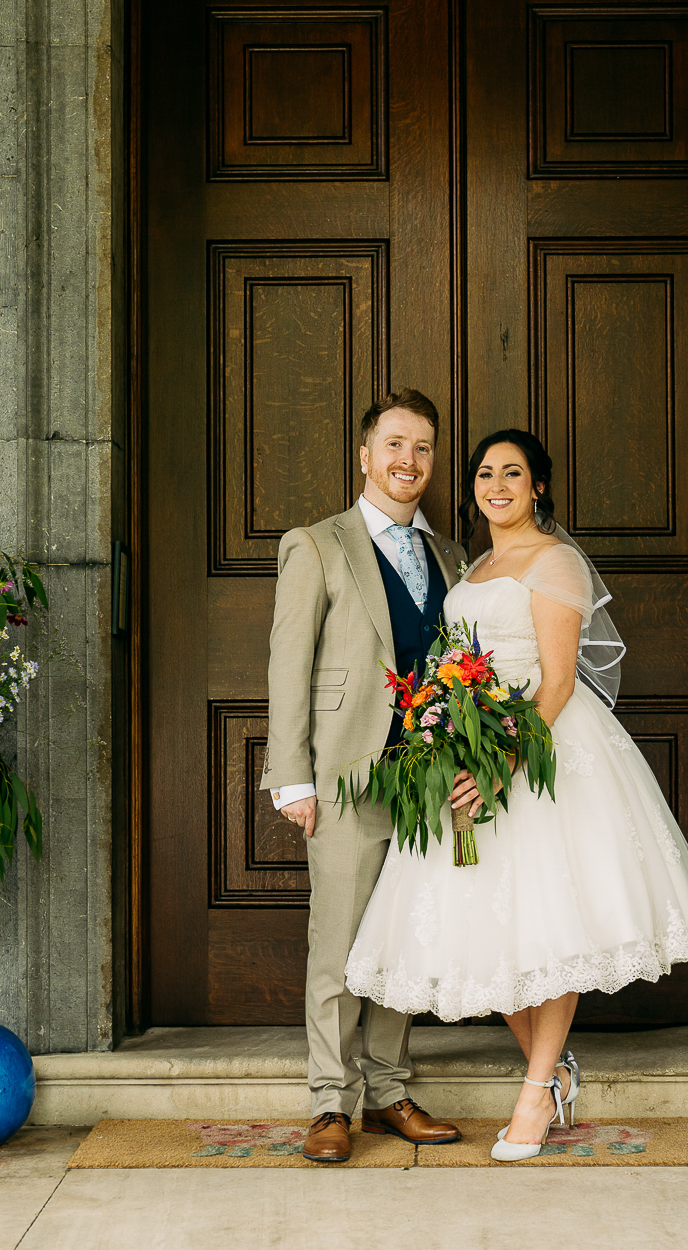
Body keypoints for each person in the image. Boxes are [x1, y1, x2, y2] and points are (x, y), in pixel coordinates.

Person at [344, 429, 688, 1161]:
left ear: (538, 486)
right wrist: (448, 741)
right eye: (486, 473)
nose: (497, 485)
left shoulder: (557, 562)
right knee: (491, 932)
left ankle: (534, 1091)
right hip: (473, 744)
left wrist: (502, 767)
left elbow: (555, 684)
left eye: (513, 473)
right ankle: (552, 1076)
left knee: (552, 930)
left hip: (542, 752)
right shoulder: (475, 562)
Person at [260, 389, 469, 1163]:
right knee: (341, 944)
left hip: (425, 781)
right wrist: (292, 778)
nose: (408, 461)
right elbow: (289, 663)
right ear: (364, 454)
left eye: (421, 448)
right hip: (346, 777)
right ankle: (329, 1103)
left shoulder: (451, 556)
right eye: (394, 446)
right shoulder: (317, 545)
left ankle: (388, 1090)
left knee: (402, 943)